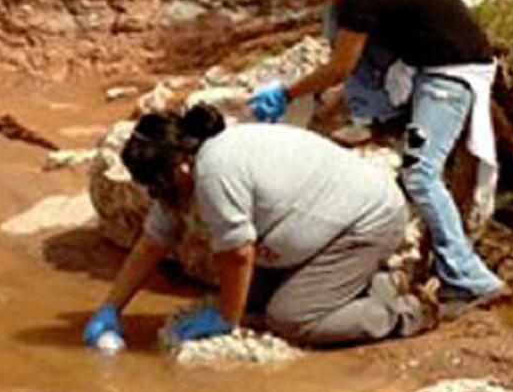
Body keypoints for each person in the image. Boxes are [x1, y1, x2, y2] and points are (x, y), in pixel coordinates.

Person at [248, 0, 508, 319]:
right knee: (334, 19)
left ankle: (472, 280)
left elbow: (340, 68)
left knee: (419, 173)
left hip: (449, 78)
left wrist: (286, 94)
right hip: (424, 67)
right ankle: (377, 118)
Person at [83, 105, 437, 350]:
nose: (155, 195)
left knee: (290, 320)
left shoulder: (214, 173)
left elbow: (238, 255)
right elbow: (151, 244)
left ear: (178, 169)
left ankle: (406, 313)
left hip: (366, 223)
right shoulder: (190, 164)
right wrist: (111, 308)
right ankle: (378, 285)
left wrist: (227, 320)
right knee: (252, 302)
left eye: (155, 186)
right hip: (334, 222)